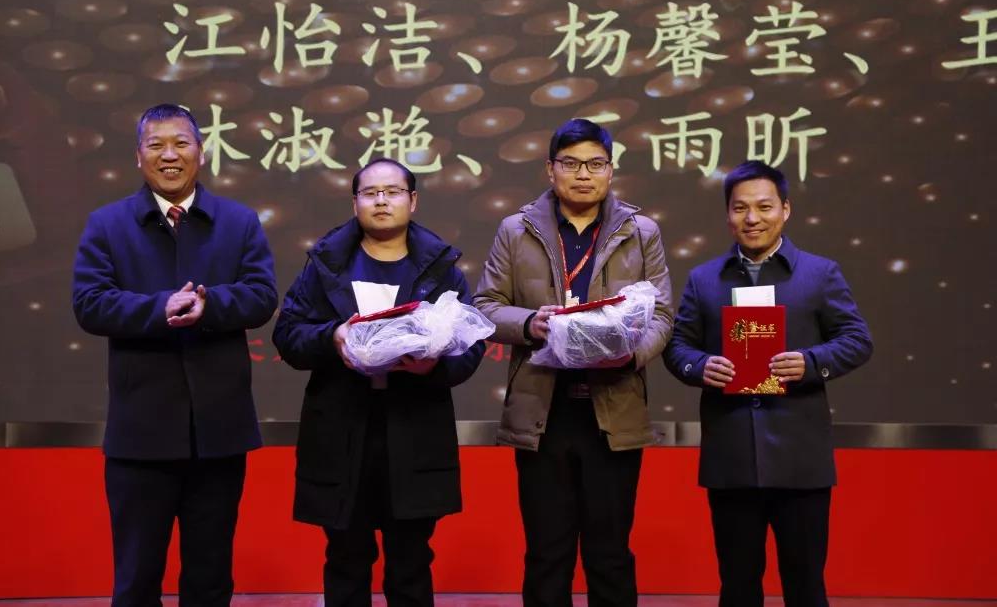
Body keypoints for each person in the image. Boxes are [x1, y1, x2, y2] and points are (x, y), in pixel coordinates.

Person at [72, 103, 277, 606]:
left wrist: (211, 305)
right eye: (156, 145)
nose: (170, 155)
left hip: (219, 431)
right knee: (137, 576)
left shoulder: (238, 221)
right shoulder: (107, 224)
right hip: (140, 433)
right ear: (138, 155)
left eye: (181, 143)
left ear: (201, 153)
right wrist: (158, 308)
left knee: (210, 576)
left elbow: (262, 296)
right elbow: (90, 304)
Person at [474, 118, 673, 607]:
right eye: (571, 164)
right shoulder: (515, 230)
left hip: (613, 410)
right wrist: (531, 323)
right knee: (547, 553)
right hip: (544, 411)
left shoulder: (640, 231)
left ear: (611, 169)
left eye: (595, 164)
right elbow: (485, 307)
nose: (583, 174)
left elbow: (663, 314)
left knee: (610, 555)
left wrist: (632, 353)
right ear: (550, 169)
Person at [272, 158, 485, 607]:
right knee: (346, 558)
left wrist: (432, 367)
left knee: (411, 561)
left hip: (415, 428)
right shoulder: (326, 263)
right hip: (342, 427)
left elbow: (471, 346)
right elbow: (288, 335)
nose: (382, 201)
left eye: (393, 192)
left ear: (413, 200)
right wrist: (332, 336)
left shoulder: (440, 266)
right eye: (370, 193)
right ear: (355, 203)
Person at [663, 160, 874, 607]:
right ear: (727, 213)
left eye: (764, 206)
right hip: (731, 457)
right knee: (737, 586)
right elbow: (677, 346)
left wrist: (811, 362)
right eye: (740, 208)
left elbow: (857, 340)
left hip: (801, 459)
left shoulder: (819, 273)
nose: (752, 218)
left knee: (806, 586)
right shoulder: (704, 279)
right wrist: (700, 367)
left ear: (785, 209)